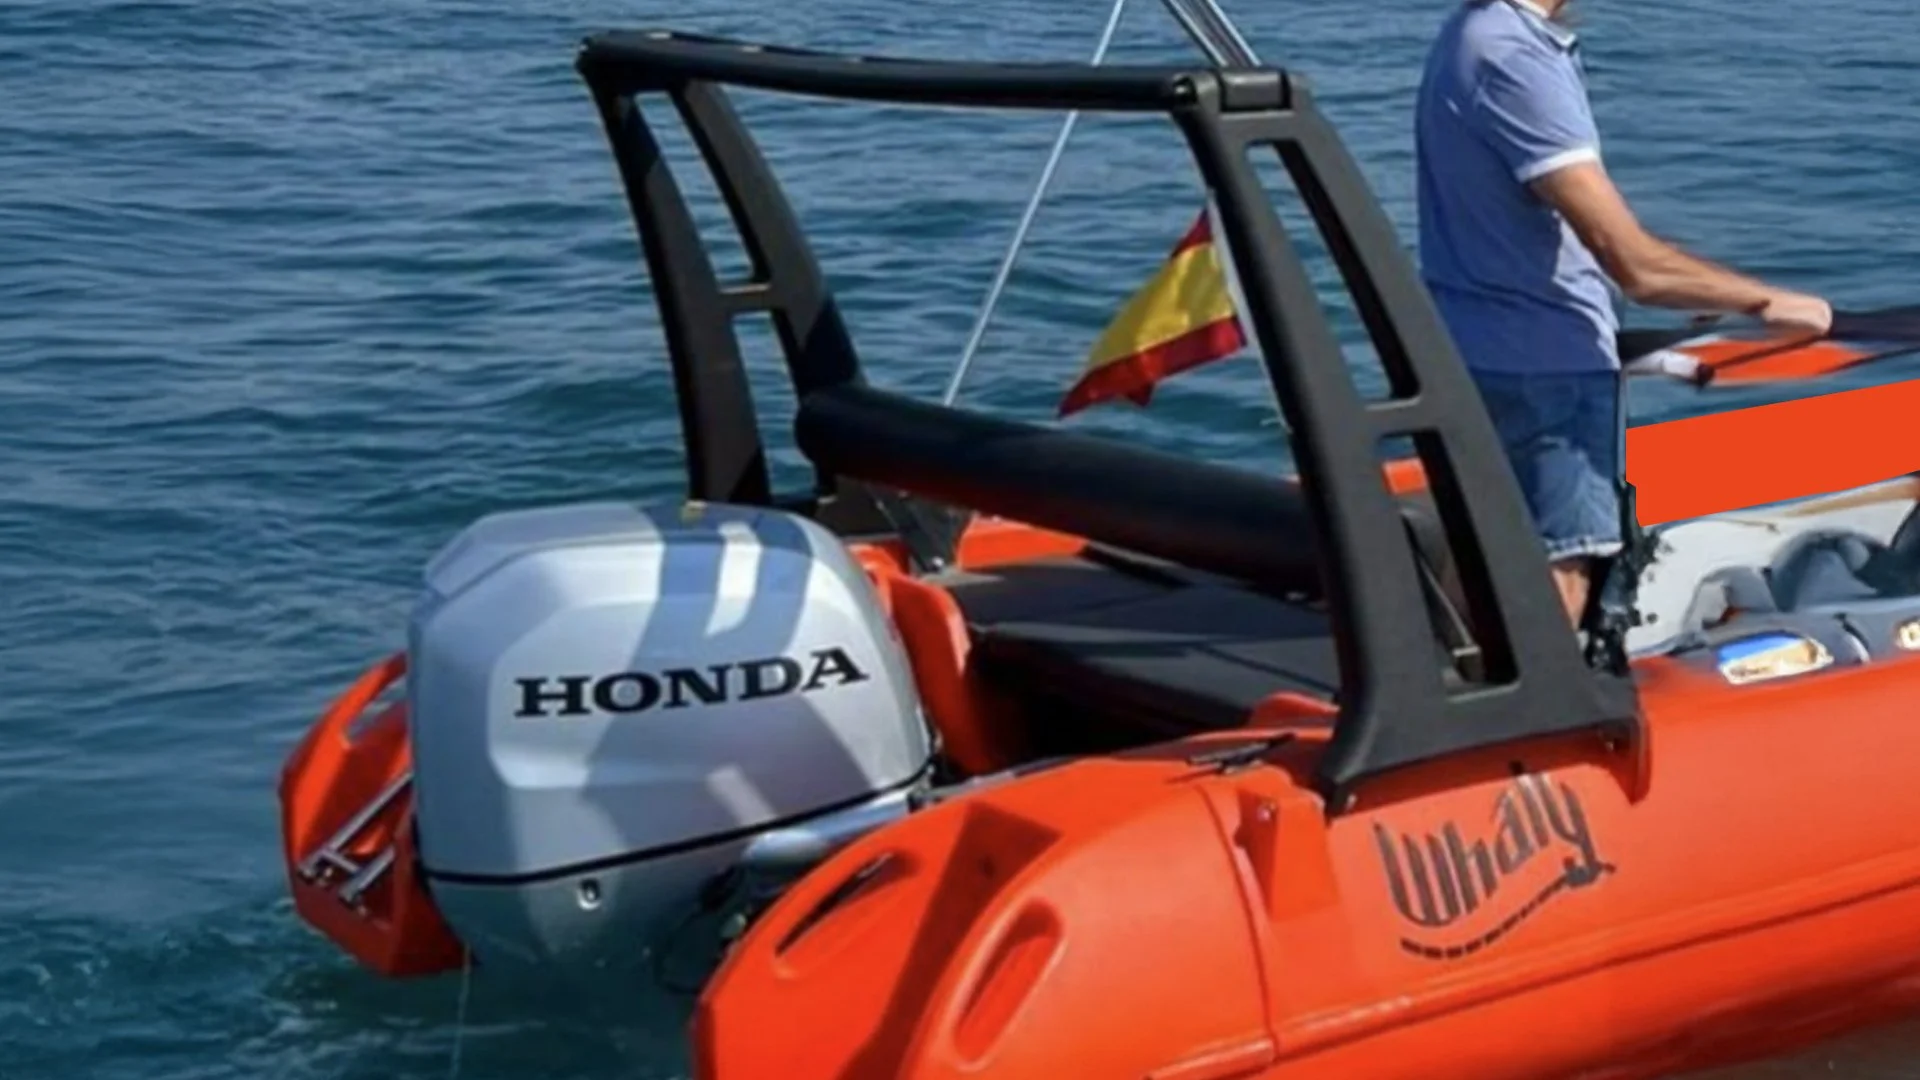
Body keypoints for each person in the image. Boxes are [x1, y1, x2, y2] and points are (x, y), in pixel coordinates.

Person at [1414, 0, 1834, 625]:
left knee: (1485, 551)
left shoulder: (1474, 34)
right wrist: (1765, 301)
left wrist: (1701, 292)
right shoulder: (1516, 57)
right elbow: (1636, 266)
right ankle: (1536, 692)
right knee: (1557, 571)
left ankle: (1454, 681)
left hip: (1478, 346)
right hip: (1544, 366)